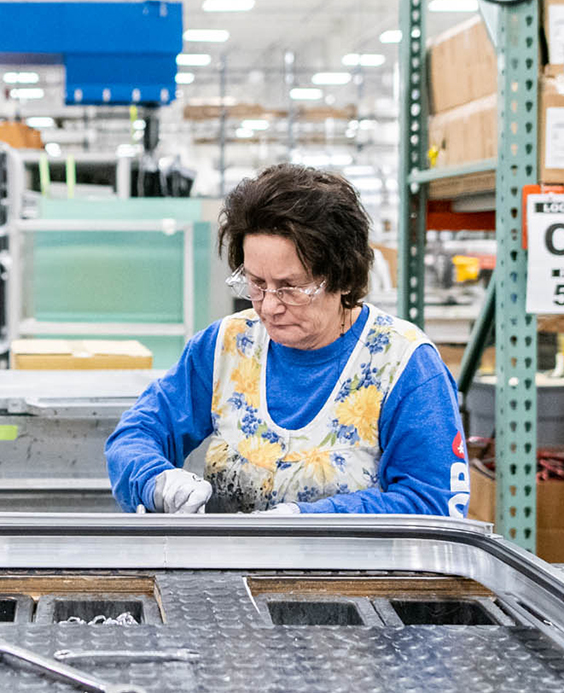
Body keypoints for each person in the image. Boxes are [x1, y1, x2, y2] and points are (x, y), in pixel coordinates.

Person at [105, 164, 468, 515]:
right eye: (256, 283)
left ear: (342, 278)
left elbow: (432, 503)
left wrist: (312, 521)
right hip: (230, 574)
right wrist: (156, 480)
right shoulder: (226, 347)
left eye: (290, 288)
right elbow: (137, 433)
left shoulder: (403, 364)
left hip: (356, 577)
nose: (270, 307)